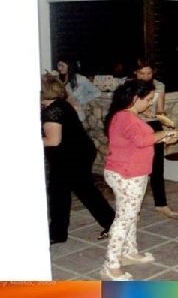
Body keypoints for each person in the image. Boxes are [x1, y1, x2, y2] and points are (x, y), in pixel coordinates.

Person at [100, 79, 178, 280]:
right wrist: (164, 133)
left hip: (132, 172)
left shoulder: (128, 115)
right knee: (125, 218)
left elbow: (137, 141)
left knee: (130, 214)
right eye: (148, 99)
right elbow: (141, 140)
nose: (150, 103)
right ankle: (111, 264)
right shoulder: (125, 117)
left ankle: (129, 252)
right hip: (127, 174)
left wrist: (162, 137)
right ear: (135, 98)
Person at [41, 75, 115, 244]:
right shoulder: (61, 105)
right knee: (68, 192)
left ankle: (58, 234)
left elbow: (53, 141)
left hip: (71, 156)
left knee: (71, 192)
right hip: (77, 152)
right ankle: (58, 234)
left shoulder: (52, 110)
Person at [134, 58, 178, 217]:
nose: (145, 76)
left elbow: (160, 110)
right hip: (134, 126)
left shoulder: (159, 86)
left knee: (157, 167)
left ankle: (161, 203)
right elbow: (124, 110)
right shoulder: (128, 87)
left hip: (153, 125)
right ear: (135, 73)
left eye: (149, 73)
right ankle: (135, 209)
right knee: (137, 169)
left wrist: (164, 119)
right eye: (141, 73)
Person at [56, 58, 100, 122]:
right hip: (61, 113)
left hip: (76, 113)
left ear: (69, 66)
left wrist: (80, 101)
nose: (59, 68)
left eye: (62, 66)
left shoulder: (80, 79)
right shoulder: (58, 79)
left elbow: (97, 92)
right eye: (58, 66)